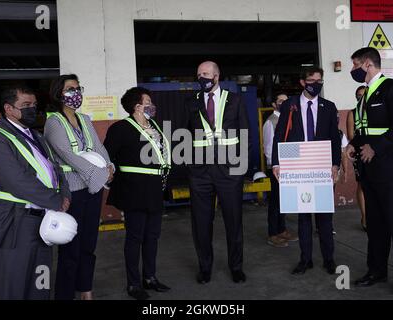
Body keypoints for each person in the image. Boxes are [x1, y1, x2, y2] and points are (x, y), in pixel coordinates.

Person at [0, 86, 71, 300]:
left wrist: (65, 196)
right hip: (16, 222)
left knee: (41, 281)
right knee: (14, 285)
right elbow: (17, 180)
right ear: (8, 109)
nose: (32, 109)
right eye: (25, 105)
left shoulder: (37, 136)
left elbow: (56, 169)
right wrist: (56, 200)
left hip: (44, 222)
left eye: (34, 105)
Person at [346, 47, 393, 297]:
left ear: (367, 64)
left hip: (391, 170)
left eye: (355, 64)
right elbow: (366, 130)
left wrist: (374, 148)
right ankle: (376, 270)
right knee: (375, 225)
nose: (352, 70)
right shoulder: (364, 95)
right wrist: (352, 146)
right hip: (370, 171)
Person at [44, 74, 114, 300]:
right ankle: (65, 295)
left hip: (92, 190)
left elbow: (98, 148)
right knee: (70, 248)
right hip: (72, 192)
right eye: (71, 89)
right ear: (59, 94)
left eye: (78, 88)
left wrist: (110, 166)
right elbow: (68, 155)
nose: (77, 93)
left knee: (88, 244)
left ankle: (85, 288)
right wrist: (100, 175)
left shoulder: (84, 119)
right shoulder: (54, 121)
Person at [183, 61, 250, 284]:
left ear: (217, 76)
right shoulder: (191, 101)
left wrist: (240, 169)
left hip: (230, 172)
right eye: (198, 74)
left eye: (206, 74)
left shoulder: (235, 99)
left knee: (234, 222)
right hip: (200, 173)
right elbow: (184, 134)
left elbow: (245, 134)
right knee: (201, 223)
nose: (201, 77)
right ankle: (205, 268)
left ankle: (236, 267)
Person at [272, 66, 341, 276]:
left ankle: (329, 259)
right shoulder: (290, 105)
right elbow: (280, 136)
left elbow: (334, 139)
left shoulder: (328, 106)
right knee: (303, 217)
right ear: (303, 82)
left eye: (319, 80)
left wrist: (335, 164)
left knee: (324, 217)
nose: (316, 84)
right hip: (298, 165)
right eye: (312, 80)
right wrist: (277, 162)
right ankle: (306, 259)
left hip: (321, 164)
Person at [104, 87, 171, 300]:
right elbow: (107, 157)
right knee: (135, 237)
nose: (152, 105)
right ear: (137, 106)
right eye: (148, 101)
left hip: (154, 189)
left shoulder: (154, 126)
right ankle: (133, 284)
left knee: (152, 236)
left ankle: (149, 277)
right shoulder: (121, 128)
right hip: (134, 190)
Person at [263, 93, 298, 247]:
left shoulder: (289, 119)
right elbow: (269, 148)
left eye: (286, 100)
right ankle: (273, 233)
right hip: (277, 168)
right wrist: (276, 166)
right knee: (275, 201)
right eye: (280, 101)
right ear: (274, 104)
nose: (283, 103)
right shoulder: (271, 122)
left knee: (284, 200)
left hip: (289, 167)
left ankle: (282, 229)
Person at [346, 85, 367, 231]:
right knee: (362, 185)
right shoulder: (352, 113)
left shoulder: (375, 111)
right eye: (358, 95)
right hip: (360, 153)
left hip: (376, 152)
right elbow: (351, 136)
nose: (361, 97)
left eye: (363, 95)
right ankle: (365, 217)